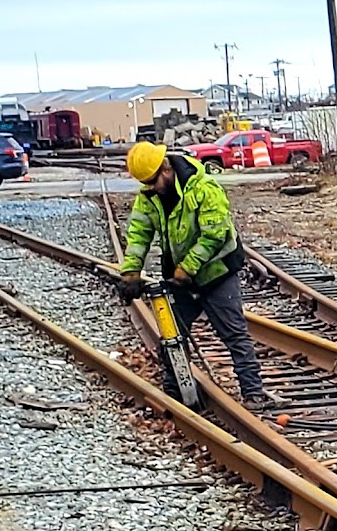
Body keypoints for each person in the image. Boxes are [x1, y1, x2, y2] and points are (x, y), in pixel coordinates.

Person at [116, 141, 271, 406]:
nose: (149, 187)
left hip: (217, 272)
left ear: (165, 169)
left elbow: (215, 234)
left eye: (152, 181)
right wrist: (131, 272)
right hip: (181, 277)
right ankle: (175, 390)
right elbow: (139, 234)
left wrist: (188, 267)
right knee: (172, 334)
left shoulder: (204, 189)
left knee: (233, 333)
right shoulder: (149, 196)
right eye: (145, 184)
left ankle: (253, 392)